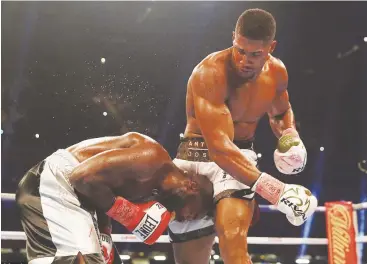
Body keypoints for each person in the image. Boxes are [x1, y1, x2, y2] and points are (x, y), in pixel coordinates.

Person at [168, 8, 318, 264]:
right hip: (196, 158)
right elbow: (219, 149)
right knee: (190, 260)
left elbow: (281, 112)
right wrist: (277, 192)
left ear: (271, 47)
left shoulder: (277, 73)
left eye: (255, 54)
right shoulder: (210, 72)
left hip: (239, 157)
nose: (244, 60)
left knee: (234, 241)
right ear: (233, 38)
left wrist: (290, 138)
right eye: (240, 50)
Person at [16, 132, 214, 264]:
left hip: (74, 196)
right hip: (57, 180)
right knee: (78, 259)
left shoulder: (153, 192)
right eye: (194, 212)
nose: (187, 218)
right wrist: (127, 213)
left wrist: (105, 233)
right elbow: (82, 177)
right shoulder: (151, 159)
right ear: (192, 186)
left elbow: (97, 191)